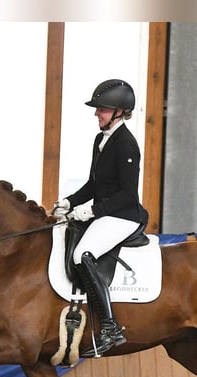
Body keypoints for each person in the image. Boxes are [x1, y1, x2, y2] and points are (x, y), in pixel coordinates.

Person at [54, 79, 148, 355]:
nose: (97, 114)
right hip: (106, 212)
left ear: (119, 112)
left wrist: (93, 210)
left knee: (82, 254)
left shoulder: (127, 145)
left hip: (124, 216)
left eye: (103, 110)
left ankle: (109, 327)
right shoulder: (101, 139)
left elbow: (128, 194)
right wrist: (69, 201)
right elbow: (94, 184)